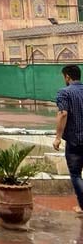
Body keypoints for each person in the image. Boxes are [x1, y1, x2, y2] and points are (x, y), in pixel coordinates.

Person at [54, 64, 83, 214]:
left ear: (67, 77)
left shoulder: (64, 92)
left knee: (76, 174)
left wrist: (58, 137)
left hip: (75, 140)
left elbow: (63, 114)